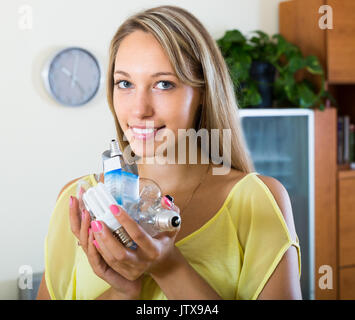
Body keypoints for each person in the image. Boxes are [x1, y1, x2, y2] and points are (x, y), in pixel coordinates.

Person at [36, 5, 302, 300]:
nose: (139, 109)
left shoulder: (257, 201)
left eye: (163, 84)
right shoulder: (76, 201)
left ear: (203, 92)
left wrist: (168, 267)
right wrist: (123, 291)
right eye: (125, 83)